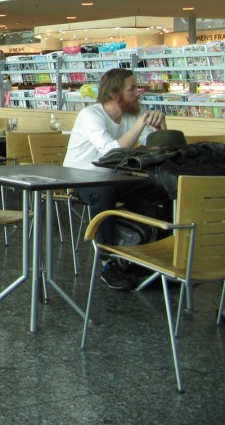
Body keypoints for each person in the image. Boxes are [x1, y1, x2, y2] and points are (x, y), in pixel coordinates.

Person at [63, 68, 171, 291]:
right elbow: (110, 152)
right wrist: (141, 124)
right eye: (132, 89)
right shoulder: (90, 115)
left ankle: (163, 255)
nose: (138, 93)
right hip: (80, 177)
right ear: (114, 94)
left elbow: (153, 150)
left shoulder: (131, 115)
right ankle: (107, 262)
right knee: (104, 192)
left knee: (166, 187)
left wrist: (160, 130)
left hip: (114, 178)